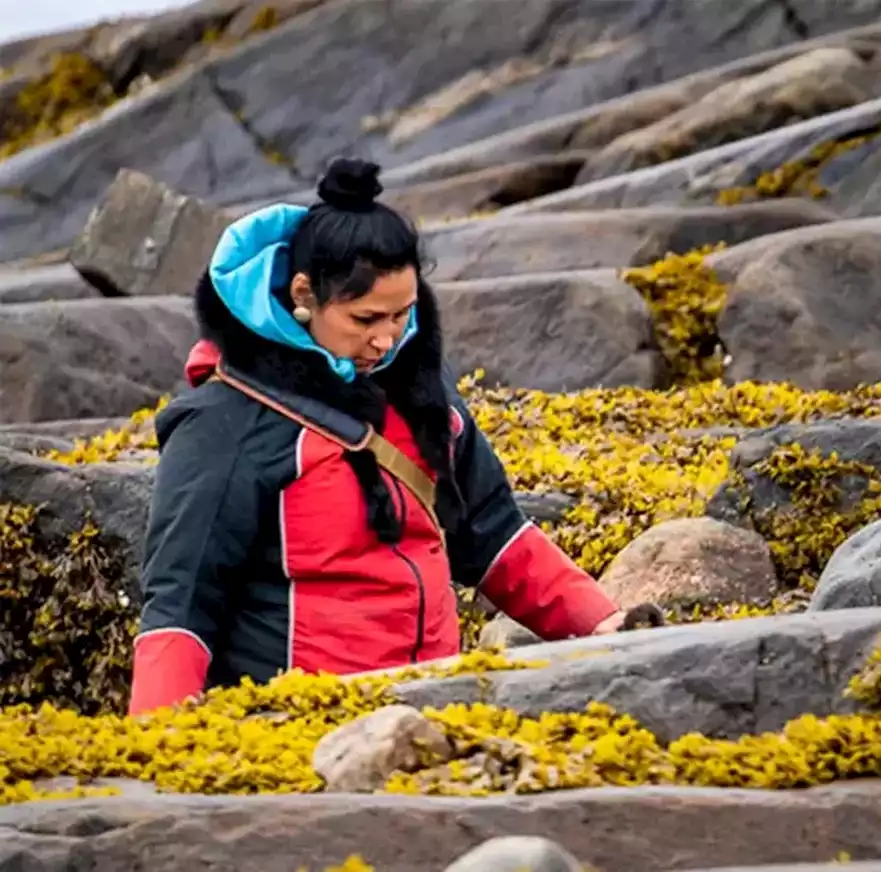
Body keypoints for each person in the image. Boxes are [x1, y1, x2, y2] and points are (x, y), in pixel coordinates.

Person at [127, 158, 625, 716]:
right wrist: (157, 746)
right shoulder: (225, 422)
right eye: (365, 320)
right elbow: (181, 602)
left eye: (402, 315)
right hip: (298, 723)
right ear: (303, 294)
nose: (387, 340)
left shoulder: (419, 392)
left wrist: (605, 623)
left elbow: (491, 532)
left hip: (438, 707)